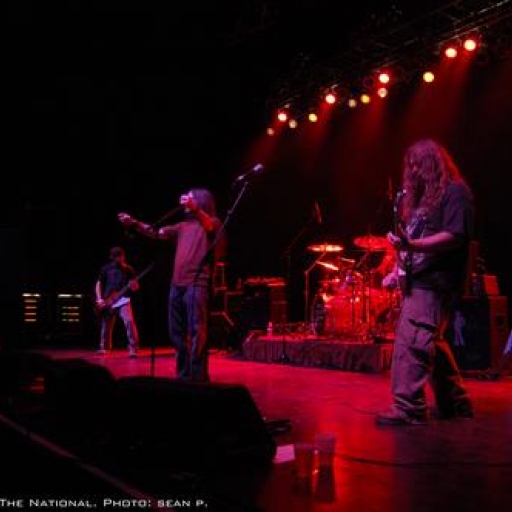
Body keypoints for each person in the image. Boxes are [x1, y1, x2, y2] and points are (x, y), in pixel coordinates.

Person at [376, 138, 474, 426]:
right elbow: (413, 242)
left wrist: (412, 246)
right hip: (420, 279)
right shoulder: (422, 200)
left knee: (412, 343)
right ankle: (455, 403)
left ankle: (408, 409)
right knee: (431, 342)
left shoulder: (455, 192)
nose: (414, 171)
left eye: (419, 164)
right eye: (411, 166)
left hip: (436, 282)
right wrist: (399, 269)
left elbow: (454, 237)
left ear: (434, 163)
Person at [117, 188, 223, 382]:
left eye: (191, 198)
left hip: (197, 284)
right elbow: (156, 232)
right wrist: (134, 223)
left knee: (197, 331)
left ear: (201, 201)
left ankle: (197, 377)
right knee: (176, 332)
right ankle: (183, 375)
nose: (186, 201)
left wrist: (195, 208)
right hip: (177, 285)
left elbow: (209, 227)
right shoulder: (182, 226)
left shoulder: (212, 222)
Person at [95, 246, 140, 357]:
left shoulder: (128, 269)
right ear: (112, 257)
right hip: (109, 300)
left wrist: (133, 286)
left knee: (129, 321)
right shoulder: (106, 268)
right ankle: (104, 347)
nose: (120, 259)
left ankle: (133, 348)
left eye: (121, 256)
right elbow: (98, 284)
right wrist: (99, 298)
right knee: (106, 325)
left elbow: (136, 287)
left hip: (124, 299)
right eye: (117, 257)